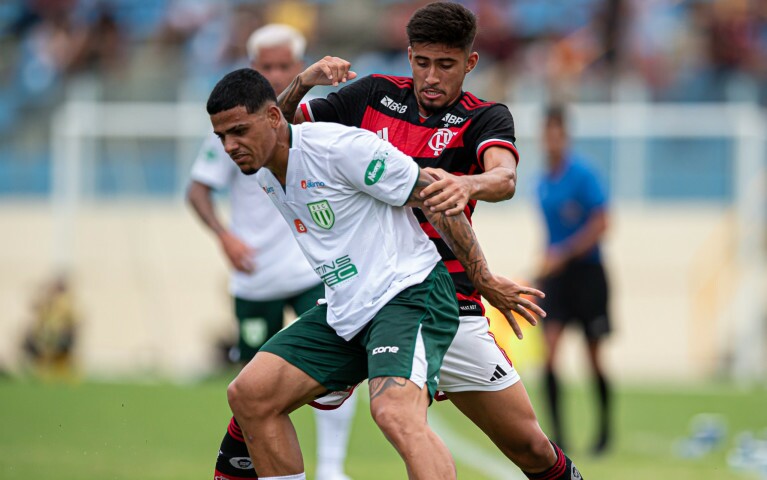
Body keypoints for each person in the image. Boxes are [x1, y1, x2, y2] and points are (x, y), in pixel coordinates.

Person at [277, 2, 584, 478]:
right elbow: (270, 136)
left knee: (531, 447)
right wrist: (304, 80)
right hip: (371, 298)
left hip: (450, 303)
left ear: (471, 63)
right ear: (409, 56)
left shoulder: (484, 118)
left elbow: (503, 177)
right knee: (256, 397)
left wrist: (469, 184)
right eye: (422, 62)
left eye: (446, 65)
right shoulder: (372, 95)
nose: (432, 77)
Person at [207, 67, 546, 480]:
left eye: (238, 131)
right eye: (222, 137)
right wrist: (304, 79)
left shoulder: (341, 149)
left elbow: (435, 198)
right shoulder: (264, 166)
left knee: (395, 414)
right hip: (348, 308)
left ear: (274, 118)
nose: (230, 146)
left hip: (410, 295)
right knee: (249, 394)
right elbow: (272, 119)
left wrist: (485, 280)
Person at [187, 24, 355, 480]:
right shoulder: (232, 128)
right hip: (256, 274)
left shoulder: (315, 120)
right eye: (268, 66)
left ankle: (333, 468)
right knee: (254, 388)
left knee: (331, 373)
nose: (278, 73)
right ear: (253, 68)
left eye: (286, 66)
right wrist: (224, 235)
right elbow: (198, 190)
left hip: (308, 272)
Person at [536, 104, 612, 455]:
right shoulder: (541, 180)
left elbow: (602, 223)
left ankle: (604, 433)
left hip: (588, 275)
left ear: (565, 136)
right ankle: (558, 436)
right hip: (557, 279)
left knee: (593, 356)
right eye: (546, 133)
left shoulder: (583, 174)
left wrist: (564, 252)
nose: (551, 140)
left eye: (557, 133)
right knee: (549, 355)